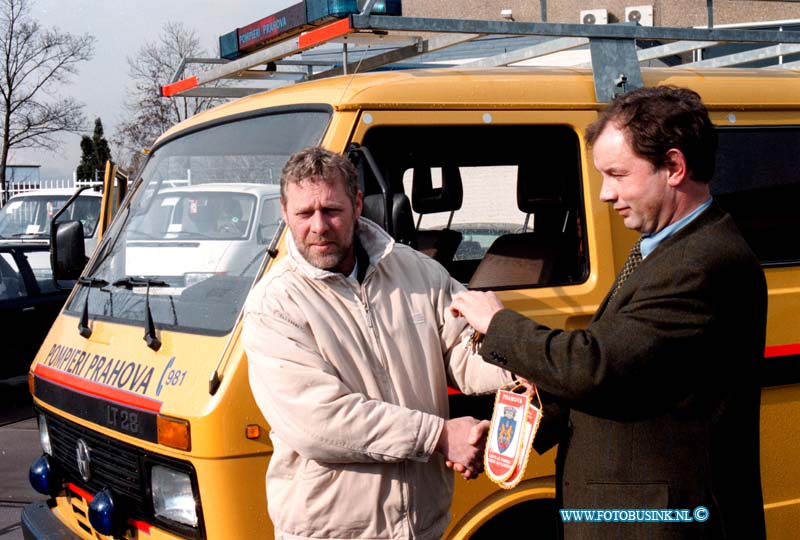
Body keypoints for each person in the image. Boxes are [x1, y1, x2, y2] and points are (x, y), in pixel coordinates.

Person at [449, 86, 767, 539]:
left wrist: (497, 322)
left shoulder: (702, 262)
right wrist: (510, 435)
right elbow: (633, 379)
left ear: (674, 167)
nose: (604, 193)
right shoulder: (666, 250)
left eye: (617, 174)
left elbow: (597, 365)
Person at [242, 146, 512, 540]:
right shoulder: (274, 304)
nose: (319, 226)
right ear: (285, 213)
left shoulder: (417, 271)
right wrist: (440, 437)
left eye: (331, 210)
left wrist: (520, 359)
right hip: (332, 532)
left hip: (422, 525)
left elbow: (463, 354)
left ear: (356, 205)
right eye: (304, 213)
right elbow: (320, 422)